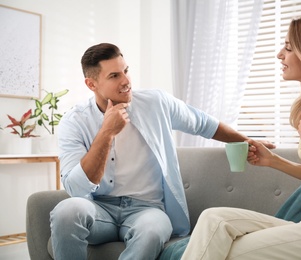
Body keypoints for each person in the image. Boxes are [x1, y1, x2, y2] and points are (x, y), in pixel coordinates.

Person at [49, 43, 275, 260]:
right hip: (99, 209)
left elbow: (204, 124)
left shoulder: (156, 102)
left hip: (147, 210)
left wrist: (247, 141)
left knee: (152, 232)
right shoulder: (74, 121)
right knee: (66, 211)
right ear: (91, 84)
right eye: (114, 76)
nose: (126, 81)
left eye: (126, 71)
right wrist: (106, 133)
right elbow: (76, 188)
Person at [181, 15, 301, 260]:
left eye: (288, 47)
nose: (279, 54)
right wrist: (273, 161)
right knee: (214, 220)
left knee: (228, 251)